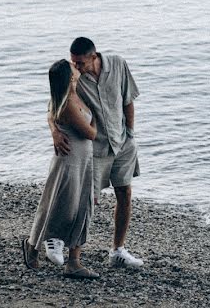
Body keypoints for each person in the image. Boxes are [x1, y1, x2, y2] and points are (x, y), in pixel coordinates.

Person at [52, 37, 145, 269]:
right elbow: (54, 104)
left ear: (94, 57)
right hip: (94, 149)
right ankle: (70, 253)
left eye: (80, 62)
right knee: (85, 202)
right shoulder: (74, 77)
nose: (77, 67)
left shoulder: (118, 64)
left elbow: (128, 100)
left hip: (122, 143)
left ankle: (118, 251)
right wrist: (54, 131)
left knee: (124, 193)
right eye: (74, 62)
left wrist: (131, 134)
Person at [22, 60, 99, 279]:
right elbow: (91, 134)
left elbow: (49, 112)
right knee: (56, 207)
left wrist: (54, 129)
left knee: (82, 207)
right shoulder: (66, 103)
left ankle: (74, 262)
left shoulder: (79, 92)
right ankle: (32, 246)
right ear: (70, 76)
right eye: (73, 66)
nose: (76, 66)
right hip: (68, 161)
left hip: (84, 160)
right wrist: (100, 122)